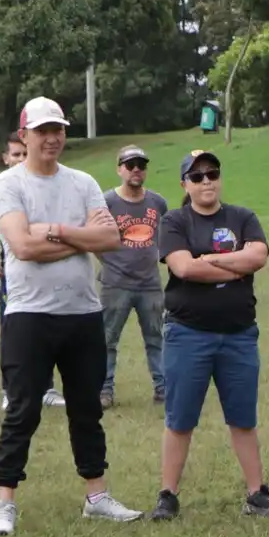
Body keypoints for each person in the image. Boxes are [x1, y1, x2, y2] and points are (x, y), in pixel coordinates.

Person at [0, 96, 141, 537]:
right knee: (23, 410)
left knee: (86, 409)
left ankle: (97, 495)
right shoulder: (8, 185)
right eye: (42, 131)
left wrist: (54, 229)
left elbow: (111, 239)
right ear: (24, 136)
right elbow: (23, 247)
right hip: (29, 314)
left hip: (82, 312)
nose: (52, 138)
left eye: (58, 130)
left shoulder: (83, 182)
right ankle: (5, 502)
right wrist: (82, 238)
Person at [151, 151, 269, 521]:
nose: (206, 181)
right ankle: (168, 495)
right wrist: (231, 265)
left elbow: (257, 256)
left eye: (212, 173)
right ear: (184, 185)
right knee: (180, 418)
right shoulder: (174, 221)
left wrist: (206, 261)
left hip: (239, 335)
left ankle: (257, 494)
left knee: (242, 418)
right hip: (187, 333)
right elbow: (182, 268)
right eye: (196, 177)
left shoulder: (242, 217)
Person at [0, 132, 58, 412]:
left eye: (24, 153)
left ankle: (47, 388)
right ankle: (11, 389)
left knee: (50, 328)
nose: (21, 159)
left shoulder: (46, 185)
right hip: (14, 276)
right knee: (14, 333)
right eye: (15, 154)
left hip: (48, 270)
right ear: (5, 158)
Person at [100, 145, 167, 410]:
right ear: (119, 169)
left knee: (156, 338)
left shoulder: (157, 202)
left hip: (150, 284)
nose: (136, 169)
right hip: (115, 284)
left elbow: (162, 236)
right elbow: (92, 237)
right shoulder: (107, 202)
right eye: (130, 165)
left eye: (141, 164)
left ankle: (163, 389)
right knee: (106, 340)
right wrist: (108, 262)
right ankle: (104, 391)